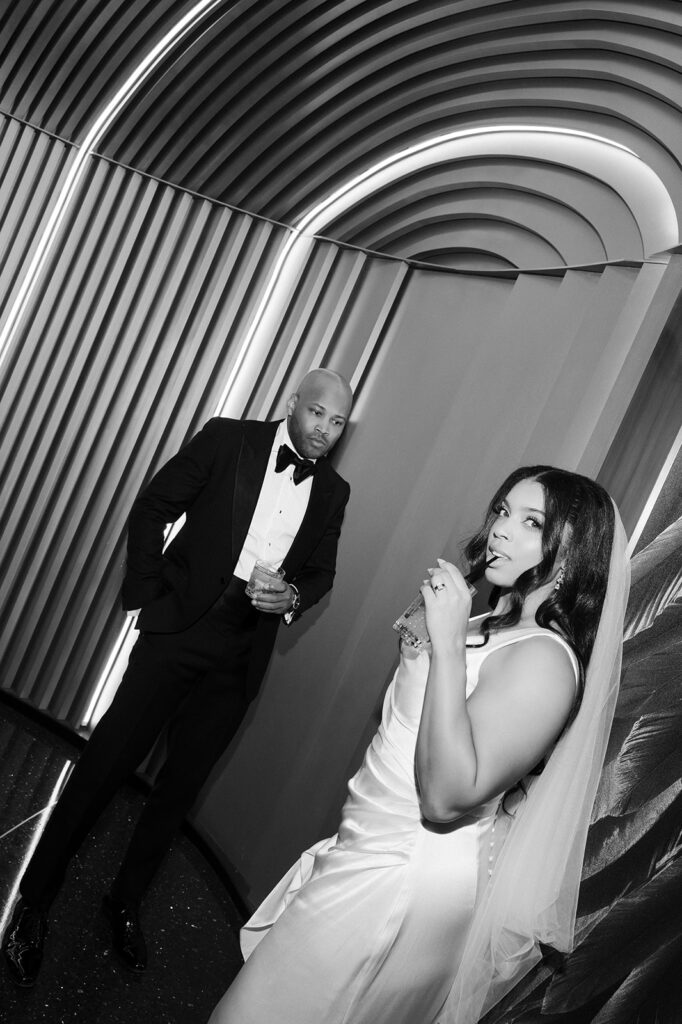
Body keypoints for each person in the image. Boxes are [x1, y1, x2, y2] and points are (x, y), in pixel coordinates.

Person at [207, 465, 629, 1024]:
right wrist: (436, 635)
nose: (501, 529)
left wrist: (449, 645)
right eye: (502, 511)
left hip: (407, 873)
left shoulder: (547, 662)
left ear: (574, 554)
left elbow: (447, 797)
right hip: (367, 843)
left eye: (531, 522)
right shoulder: (487, 622)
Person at [2, 367, 353, 987]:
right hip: (180, 631)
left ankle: (125, 900)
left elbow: (321, 571)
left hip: (241, 657)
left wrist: (292, 596)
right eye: (318, 413)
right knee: (105, 764)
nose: (325, 429)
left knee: (178, 793)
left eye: (337, 422)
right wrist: (145, 596)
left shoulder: (334, 493)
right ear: (292, 403)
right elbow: (154, 505)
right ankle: (35, 900)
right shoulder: (227, 440)